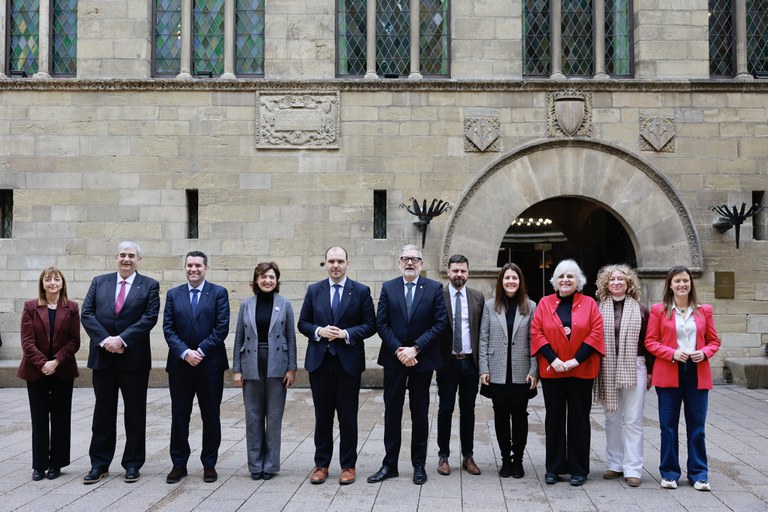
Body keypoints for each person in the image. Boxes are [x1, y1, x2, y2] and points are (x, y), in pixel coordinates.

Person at [367, 244, 448, 486]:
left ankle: (419, 465)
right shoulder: (389, 287)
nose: (410, 263)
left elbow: (440, 323)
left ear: (421, 264)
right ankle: (389, 464)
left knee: (420, 414)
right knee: (392, 412)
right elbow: (381, 323)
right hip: (394, 360)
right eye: (405, 259)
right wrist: (400, 351)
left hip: (422, 361)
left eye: (414, 259)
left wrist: (416, 348)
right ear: (399, 263)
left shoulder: (434, 288)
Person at [81, 241, 160, 484]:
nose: (127, 259)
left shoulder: (149, 285)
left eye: (132, 256)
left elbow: (149, 318)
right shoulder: (99, 282)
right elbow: (87, 313)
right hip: (103, 357)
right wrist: (106, 340)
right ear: (116, 257)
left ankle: (133, 463)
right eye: (123, 255)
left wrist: (122, 340)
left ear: (139, 259)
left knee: (135, 412)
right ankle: (99, 464)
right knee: (103, 412)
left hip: (133, 359)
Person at [298, 246, 376, 485]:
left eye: (339, 261)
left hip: (347, 364)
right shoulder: (314, 290)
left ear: (347, 263)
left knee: (348, 417)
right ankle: (321, 465)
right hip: (320, 364)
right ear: (325, 263)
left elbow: (370, 325)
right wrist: (319, 331)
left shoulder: (361, 291)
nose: (335, 265)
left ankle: (348, 466)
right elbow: (303, 323)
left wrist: (346, 333)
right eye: (331, 261)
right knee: (322, 417)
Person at [644, 265, 720, 491]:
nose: (682, 285)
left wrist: (704, 352)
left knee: (697, 426)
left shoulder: (704, 310)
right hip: (670, 369)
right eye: (677, 281)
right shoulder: (659, 310)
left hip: (697, 371)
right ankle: (669, 472)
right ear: (670, 284)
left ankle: (698, 474)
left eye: (685, 280)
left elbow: (714, 341)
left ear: (691, 283)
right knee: (668, 425)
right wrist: (672, 353)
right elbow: (650, 341)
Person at [530, 259, 604, 486]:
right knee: (554, 419)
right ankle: (554, 468)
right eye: (561, 276)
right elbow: (537, 331)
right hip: (553, 371)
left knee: (579, 420)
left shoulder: (590, 303)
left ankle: (579, 469)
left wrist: (574, 361)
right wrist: (554, 360)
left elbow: (595, 332)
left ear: (578, 281)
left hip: (581, 371)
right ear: (555, 281)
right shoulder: (544, 303)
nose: (565, 280)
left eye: (570, 276)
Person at [163, 251, 230, 484]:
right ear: (185, 268)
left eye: (198, 266)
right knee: (179, 416)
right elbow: (168, 329)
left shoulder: (218, 293)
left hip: (209, 365)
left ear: (206, 268)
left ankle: (209, 464)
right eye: (189, 265)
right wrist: (185, 353)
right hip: (180, 366)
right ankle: (178, 464)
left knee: (211, 415)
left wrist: (199, 351)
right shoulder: (173, 295)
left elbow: (221, 328)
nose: (193, 269)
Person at [232, 261, 297, 481]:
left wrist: (292, 368)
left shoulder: (285, 304)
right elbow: (239, 337)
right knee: (253, 416)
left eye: (271, 277)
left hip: (277, 363)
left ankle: (270, 465)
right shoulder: (246, 305)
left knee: (274, 416)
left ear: (277, 280)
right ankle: (255, 465)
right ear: (256, 280)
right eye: (263, 277)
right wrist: (237, 369)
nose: (267, 280)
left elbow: (290, 337)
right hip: (251, 362)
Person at [18, 267, 81, 481]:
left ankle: (57, 463)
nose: (52, 282)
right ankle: (39, 465)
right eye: (48, 279)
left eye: (56, 279)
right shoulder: (30, 307)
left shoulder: (71, 307)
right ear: (42, 283)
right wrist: (43, 363)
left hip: (62, 370)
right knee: (39, 418)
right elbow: (27, 342)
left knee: (61, 418)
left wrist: (56, 362)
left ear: (62, 283)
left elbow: (74, 341)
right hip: (36, 370)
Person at [593, 264, 652, 487]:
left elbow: (648, 341)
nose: (616, 282)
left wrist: (651, 371)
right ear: (605, 284)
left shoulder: (641, 309)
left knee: (634, 419)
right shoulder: (599, 308)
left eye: (621, 279)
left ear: (629, 284)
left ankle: (633, 468)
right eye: (612, 279)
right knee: (611, 417)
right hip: (606, 367)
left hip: (634, 366)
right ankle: (614, 464)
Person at [478, 263, 537, 479]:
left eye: (515, 278)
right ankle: (505, 459)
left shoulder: (531, 306)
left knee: (520, 416)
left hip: (522, 371)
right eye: (507, 278)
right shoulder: (489, 305)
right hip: (496, 371)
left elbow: (535, 340)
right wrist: (483, 368)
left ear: (520, 282)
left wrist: (534, 369)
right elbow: (483, 337)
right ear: (501, 281)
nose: (511, 281)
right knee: (501, 415)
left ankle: (518, 460)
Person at [435, 254, 485, 476]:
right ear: (448, 272)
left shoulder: (477, 298)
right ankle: (443, 456)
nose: (459, 275)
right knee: (445, 409)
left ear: (468, 273)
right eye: (455, 271)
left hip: (470, 363)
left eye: (463, 271)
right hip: (447, 363)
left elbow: (482, 333)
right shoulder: (438, 295)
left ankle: (468, 456)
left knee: (468, 411)